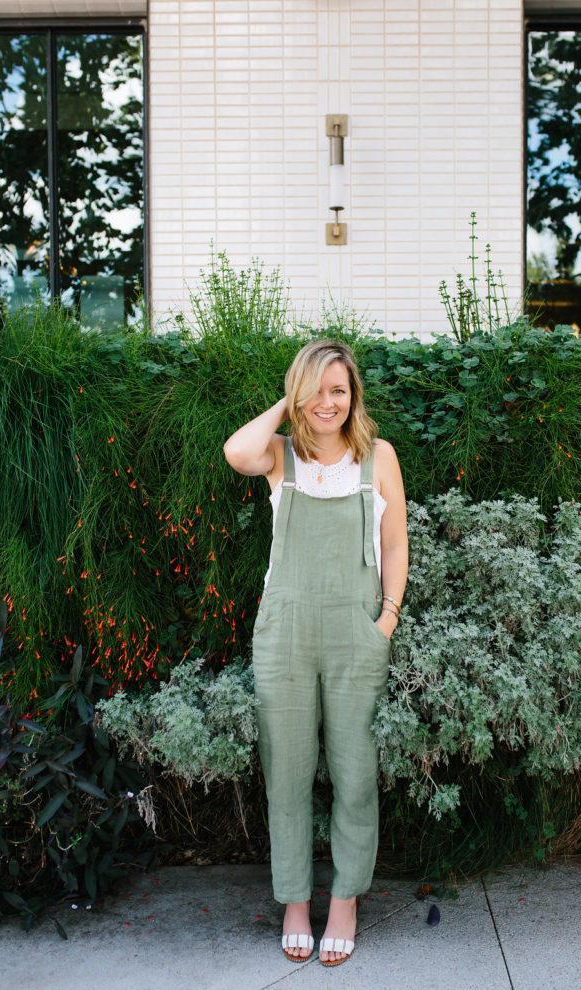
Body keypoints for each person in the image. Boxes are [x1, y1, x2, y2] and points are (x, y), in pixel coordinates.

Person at [223, 340, 408, 967]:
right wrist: (291, 400)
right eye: (316, 390)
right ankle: (296, 901)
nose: (328, 403)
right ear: (299, 393)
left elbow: (395, 540)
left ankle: (347, 899)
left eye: (339, 389)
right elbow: (236, 451)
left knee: (355, 773)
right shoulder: (282, 455)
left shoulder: (377, 457)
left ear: (354, 394)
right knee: (288, 771)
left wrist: (387, 616)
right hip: (287, 632)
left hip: (358, 631)